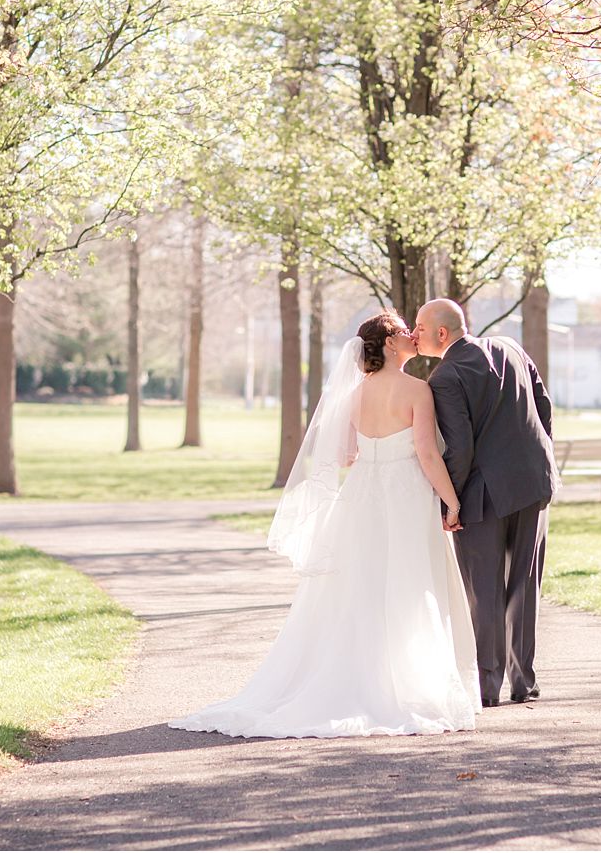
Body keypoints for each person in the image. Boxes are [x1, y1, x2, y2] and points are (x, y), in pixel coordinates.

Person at [169, 310, 480, 738]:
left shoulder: (353, 397)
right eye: (404, 330)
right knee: (408, 586)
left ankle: (356, 676)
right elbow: (427, 454)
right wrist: (453, 502)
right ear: (390, 344)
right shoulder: (417, 391)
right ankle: (401, 685)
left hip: (361, 497)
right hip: (405, 496)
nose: (412, 334)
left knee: (357, 590)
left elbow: (348, 453)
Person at [413, 298, 556, 708]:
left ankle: (486, 686)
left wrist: (450, 502)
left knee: (485, 589)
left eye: (420, 328)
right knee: (526, 583)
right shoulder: (511, 347)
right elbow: (543, 407)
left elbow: (460, 449)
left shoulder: (445, 376)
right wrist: (541, 459)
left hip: (483, 495)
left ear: (442, 333)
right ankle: (523, 681)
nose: (414, 334)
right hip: (533, 482)